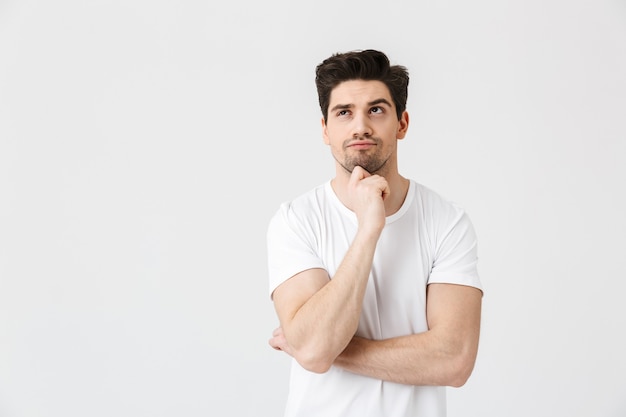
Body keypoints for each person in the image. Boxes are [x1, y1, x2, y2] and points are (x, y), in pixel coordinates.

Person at [266, 49, 483, 417]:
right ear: (325, 129)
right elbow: (314, 349)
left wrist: (329, 350)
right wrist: (369, 229)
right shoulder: (295, 219)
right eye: (344, 112)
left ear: (402, 123)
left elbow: (454, 360)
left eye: (376, 110)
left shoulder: (447, 222)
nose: (360, 126)